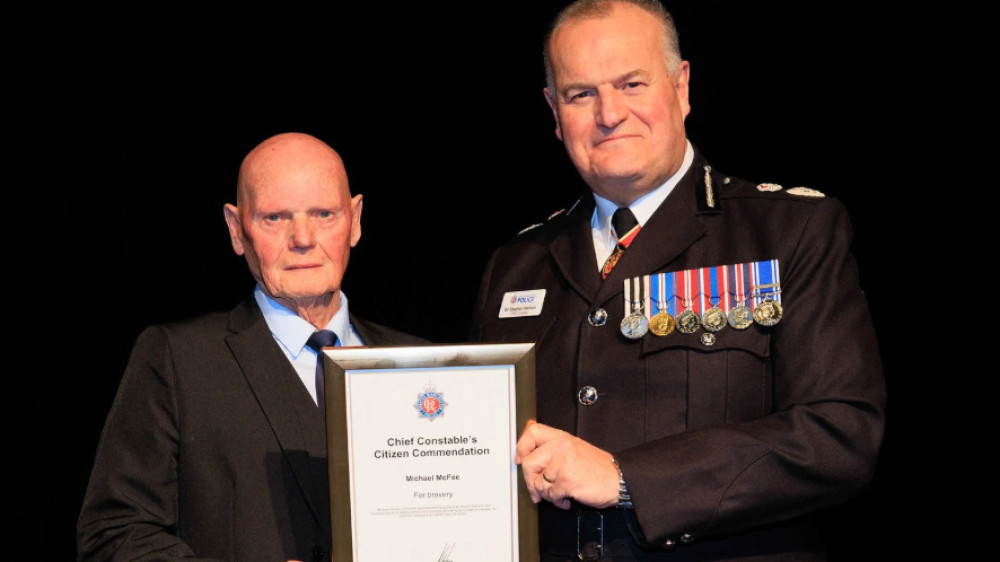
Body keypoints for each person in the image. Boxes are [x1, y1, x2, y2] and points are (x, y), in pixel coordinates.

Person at [469, 1, 886, 560]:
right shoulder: (516, 264)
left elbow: (839, 435)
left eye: (631, 84)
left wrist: (626, 479)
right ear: (554, 110)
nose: (609, 113)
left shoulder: (787, 232)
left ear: (681, 86)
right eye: (581, 94)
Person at [77, 132, 427, 562]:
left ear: (354, 220)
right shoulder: (179, 361)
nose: (303, 238)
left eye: (323, 214)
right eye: (275, 218)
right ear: (236, 229)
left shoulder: (424, 366)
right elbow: (113, 536)